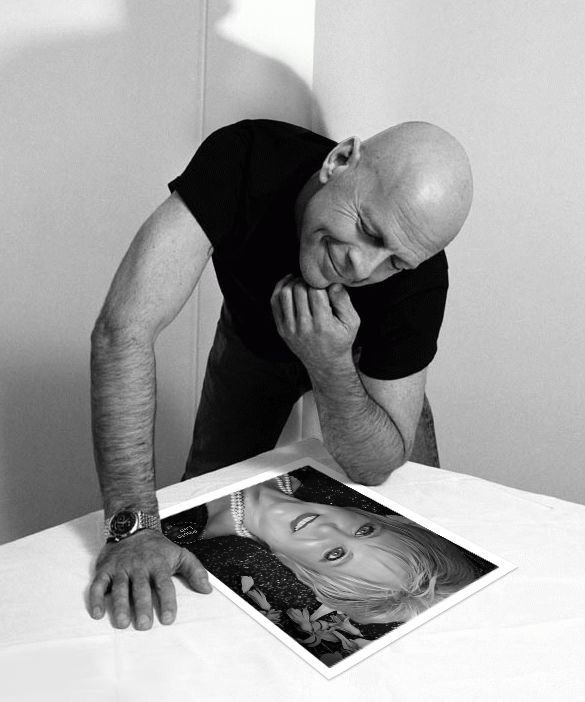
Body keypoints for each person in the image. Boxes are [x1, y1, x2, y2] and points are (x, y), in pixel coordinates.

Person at [89, 119, 473, 630]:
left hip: (357, 371)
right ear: (339, 162)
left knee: (417, 515)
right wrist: (133, 530)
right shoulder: (244, 158)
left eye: (395, 263)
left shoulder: (420, 276)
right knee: (196, 511)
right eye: (369, 231)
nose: (363, 269)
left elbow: (375, 466)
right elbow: (124, 331)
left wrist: (330, 363)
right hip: (251, 343)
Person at [164, 472, 479, 626]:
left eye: (335, 555)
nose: (327, 530)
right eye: (364, 531)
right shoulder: (317, 474)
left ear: (307, 574)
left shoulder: (183, 532)